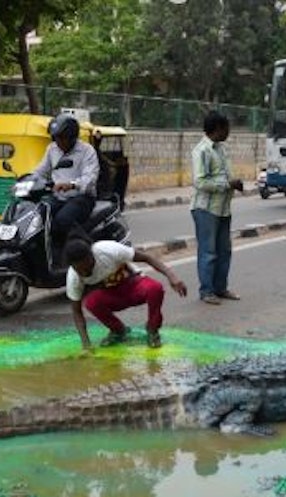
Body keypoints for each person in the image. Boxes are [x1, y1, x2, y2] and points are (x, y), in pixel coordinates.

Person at [64, 232, 187, 350]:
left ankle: (152, 329)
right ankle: (118, 330)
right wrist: (86, 345)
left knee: (155, 288)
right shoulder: (73, 277)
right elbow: (77, 312)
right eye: (80, 270)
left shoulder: (108, 250)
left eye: (88, 267)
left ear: (92, 255)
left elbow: (147, 258)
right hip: (112, 296)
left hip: (133, 286)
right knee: (91, 303)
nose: (85, 272)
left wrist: (172, 277)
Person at [191, 111, 243, 305]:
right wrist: (228, 185)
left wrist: (232, 183)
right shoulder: (202, 151)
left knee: (224, 250)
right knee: (208, 252)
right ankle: (206, 291)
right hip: (206, 209)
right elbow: (200, 182)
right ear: (218, 128)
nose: (229, 131)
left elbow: (222, 175)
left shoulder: (221, 149)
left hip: (223, 208)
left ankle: (220, 288)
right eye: (226, 127)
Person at [32, 113, 99, 244]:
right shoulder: (52, 149)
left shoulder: (87, 151)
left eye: (62, 138)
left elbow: (90, 178)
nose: (59, 142)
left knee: (62, 219)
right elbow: (41, 170)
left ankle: (80, 249)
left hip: (81, 197)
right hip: (58, 197)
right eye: (56, 138)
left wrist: (72, 185)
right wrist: (28, 180)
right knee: (37, 216)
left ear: (72, 137)